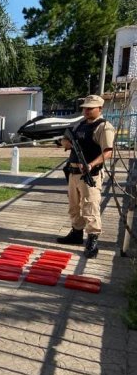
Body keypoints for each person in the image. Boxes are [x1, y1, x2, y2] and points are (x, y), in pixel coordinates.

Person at [57, 94, 115, 259]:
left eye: (90, 108)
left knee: (90, 206)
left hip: (91, 173)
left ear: (100, 109)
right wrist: (66, 143)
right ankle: (76, 233)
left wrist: (91, 164)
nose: (86, 111)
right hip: (73, 172)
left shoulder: (104, 127)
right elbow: (64, 140)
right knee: (74, 206)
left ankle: (92, 239)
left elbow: (108, 152)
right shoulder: (79, 125)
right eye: (85, 108)